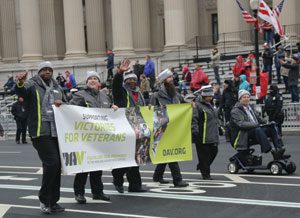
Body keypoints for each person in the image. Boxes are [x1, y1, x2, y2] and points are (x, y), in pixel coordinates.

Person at [15, 61, 66, 214]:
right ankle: (44, 199)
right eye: (43, 70)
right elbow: (20, 92)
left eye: (49, 69)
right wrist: (20, 83)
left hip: (56, 131)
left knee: (56, 167)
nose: (47, 72)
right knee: (53, 163)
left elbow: (67, 105)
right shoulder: (31, 84)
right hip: (39, 131)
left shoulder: (58, 87)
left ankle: (53, 201)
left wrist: (61, 103)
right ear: (39, 72)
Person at [70, 71, 117, 204]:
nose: (92, 80)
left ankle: (97, 192)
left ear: (99, 83)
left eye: (95, 78)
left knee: (97, 165)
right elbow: (70, 110)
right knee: (83, 167)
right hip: (85, 136)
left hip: (100, 137)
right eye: (90, 78)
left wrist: (113, 108)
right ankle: (79, 192)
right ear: (86, 82)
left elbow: (108, 111)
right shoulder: (79, 95)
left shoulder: (105, 96)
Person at [111, 58, 146, 193]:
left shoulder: (140, 93)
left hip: (138, 126)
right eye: (128, 80)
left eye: (133, 79)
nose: (131, 81)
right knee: (126, 157)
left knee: (136, 157)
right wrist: (120, 73)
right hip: (124, 126)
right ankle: (117, 177)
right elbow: (115, 85)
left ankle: (135, 186)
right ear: (125, 81)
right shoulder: (121, 92)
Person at [150, 69, 189, 187]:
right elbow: (151, 110)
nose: (171, 80)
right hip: (162, 128)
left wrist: (190, 104)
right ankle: (177, 179)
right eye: (169, 78)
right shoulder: (156, 95)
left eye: (171, 77)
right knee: (171, 153)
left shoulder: (176, 94)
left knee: (166, 152)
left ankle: (157, 176)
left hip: (175, 127)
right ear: (163, 81)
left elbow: (184, 104)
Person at [230, 90, 289, 159]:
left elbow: (259, 119)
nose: (246, 99)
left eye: (248, 97)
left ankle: (279, 150)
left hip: (254, 129)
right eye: (244, 97)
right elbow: (241, 124)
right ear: (240, 99)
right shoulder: (235, 111)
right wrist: (256, 124)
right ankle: (270, 150)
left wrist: (268, 123)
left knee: (271, 127)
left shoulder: (250, 108)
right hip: (242, 134)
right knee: (258, 129)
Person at [192, 85, 219, 180]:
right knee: (204, 155)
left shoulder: (210, 104)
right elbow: (194, 119)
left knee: (214, 151)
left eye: (211, 96)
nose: (211, 97)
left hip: (212, 133)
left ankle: (202, 165)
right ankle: (206, 174)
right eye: (209, 96)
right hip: (202, 134)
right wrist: (195, 131)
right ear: (204, 96)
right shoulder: (197, 105)